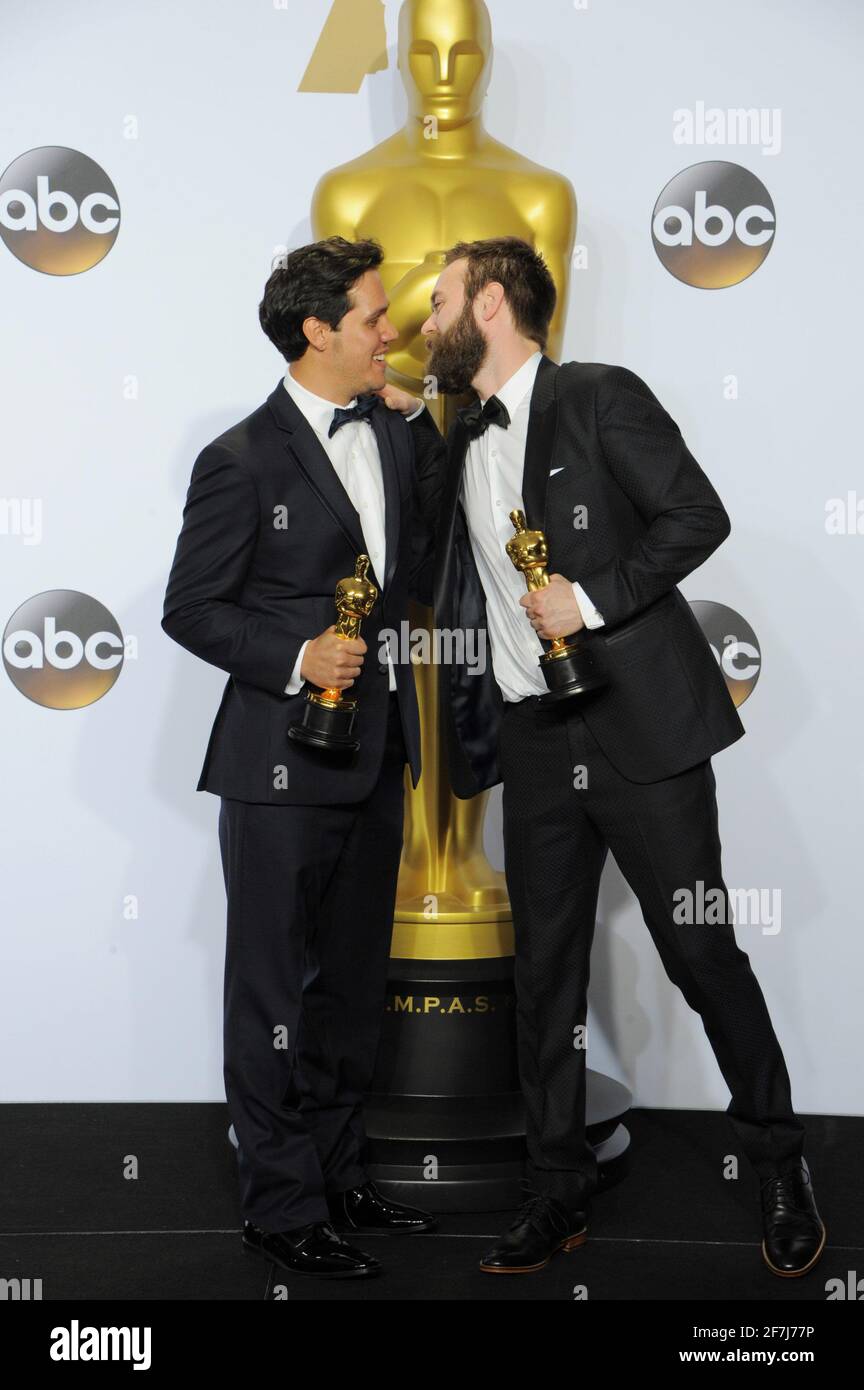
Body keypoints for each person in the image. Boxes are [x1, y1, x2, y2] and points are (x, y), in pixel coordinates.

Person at [384, 235, 825, 1279]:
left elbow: (696, 514)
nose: (422, 317)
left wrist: (585, 599)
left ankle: (777, 1159)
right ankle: (557, 1189)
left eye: (439, 299)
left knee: (699, 953)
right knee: (545, 976)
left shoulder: (597, 395)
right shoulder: (457, 435)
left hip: (642, 728)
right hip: (535, 739)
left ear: (491, 303)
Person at [162, 236, 443, 1279]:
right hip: (275, 762)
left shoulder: (394, 431)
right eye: (374, 316)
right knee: (272, 992)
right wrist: (294, 653)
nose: (392, 330)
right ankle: (281, 1204)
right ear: (317, 329)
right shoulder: (237, 459)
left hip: (374, 756)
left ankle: (339, 1174)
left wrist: (421, 421)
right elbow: (190, 609)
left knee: (350, 988)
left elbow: (426, 565)